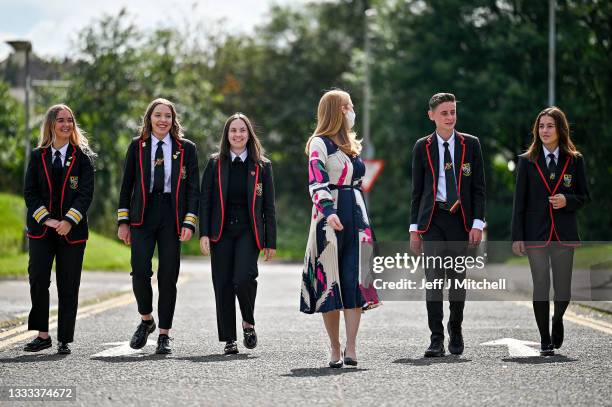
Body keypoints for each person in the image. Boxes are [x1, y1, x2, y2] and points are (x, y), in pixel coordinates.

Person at [300, 89, 379, 368]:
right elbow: (316, 181)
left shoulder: (352, 144)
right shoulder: (319, 143)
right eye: (349, 106)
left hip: (356, 216)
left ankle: (352, 347)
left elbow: (358, 182)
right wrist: (328, 211)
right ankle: (334, 347)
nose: (352, 111)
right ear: (337, 110)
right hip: (327, 219)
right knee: (329, 283)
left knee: (354, 281)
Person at [117, 98, 199, 354]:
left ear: (174, 121)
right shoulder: (137, 146)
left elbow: (193, 190)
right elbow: (126, 185)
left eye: (168, 116)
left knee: (168, 276)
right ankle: (146, 320)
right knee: (140, 270)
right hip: (143, 214)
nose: (163, 120)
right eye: (158, 115)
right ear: (149, 119)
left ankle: (164, 334)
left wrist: (190, 221)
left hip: (172, 216)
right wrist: (123, 221)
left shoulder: (186, 149)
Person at [409, 92, 486, 357]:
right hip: (432, 220)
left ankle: (456, 329)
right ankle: (436, 339)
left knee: (456, 281)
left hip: (460, 221)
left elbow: (479, 189)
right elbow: (417, 192)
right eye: (444, 113)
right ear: (431, 115)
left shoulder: (471, 144)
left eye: (453, 112)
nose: (450, 117)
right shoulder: (422, 146)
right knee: (433, 281)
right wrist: (414, 229)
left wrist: (478, 223)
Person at [511, 106, 589, 356]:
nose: (544, 130)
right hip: (535, 233)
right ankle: (545, 338)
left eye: (550, 126)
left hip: (564, 232)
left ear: (560, 129)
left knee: (563, 289)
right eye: (541, 126)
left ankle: (558, 319)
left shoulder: (575, 160)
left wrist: (568, 200)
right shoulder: (526, 161)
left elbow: (584, 195)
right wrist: (517, 236)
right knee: (541, 285)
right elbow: (519, 202)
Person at [199, 113, 276, 355]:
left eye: (242, 130)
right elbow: (206, 201)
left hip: (248, 231)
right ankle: (229, 339)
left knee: (243, 278)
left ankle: (248, 322)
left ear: (249, 134)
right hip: (220, 232)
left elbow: (268, 207)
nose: (238, 134)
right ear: (227, 135)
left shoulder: (262, 166)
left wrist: (270, 241)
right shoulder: (214, 164)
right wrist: (204, 234)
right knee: (222, 284)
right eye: (233, 130)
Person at [23, 104, 95, 355]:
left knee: (68, 284)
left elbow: (86, 195)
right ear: (51, 124)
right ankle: (42, 335)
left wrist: (68, 221)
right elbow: (30, 193)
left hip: (72, 232)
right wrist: (47, 220)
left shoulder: (82, 157)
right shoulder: (37, 155)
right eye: (60, 120)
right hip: (42, 231)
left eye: (70, 120)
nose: (66, 125)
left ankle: (64, 337)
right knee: (38, 279)